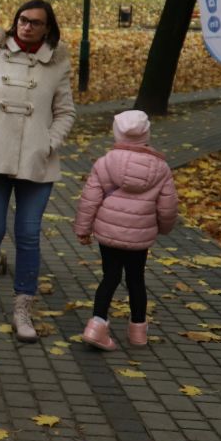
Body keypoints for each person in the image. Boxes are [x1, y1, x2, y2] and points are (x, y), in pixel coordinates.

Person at [0, 0, 75, 343]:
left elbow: (66, 111)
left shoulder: (57, 62)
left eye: (35, 22)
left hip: (36, 161)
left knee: (28, 234)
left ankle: (23, 306)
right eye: (22, 20)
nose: (27, 26)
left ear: (47, 27)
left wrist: (50, 142)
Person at [73, 110, 178, 350]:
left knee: (110, 277)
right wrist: (162, 228)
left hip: (108, 234)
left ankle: (97, 325)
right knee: (136, 279)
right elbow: (168, 207)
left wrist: (83, 229)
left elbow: (89, 199)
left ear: (116, 133)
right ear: (146, 134)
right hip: (140, 235)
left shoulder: (105, 162)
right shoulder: (161, 168)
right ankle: (138, 331)